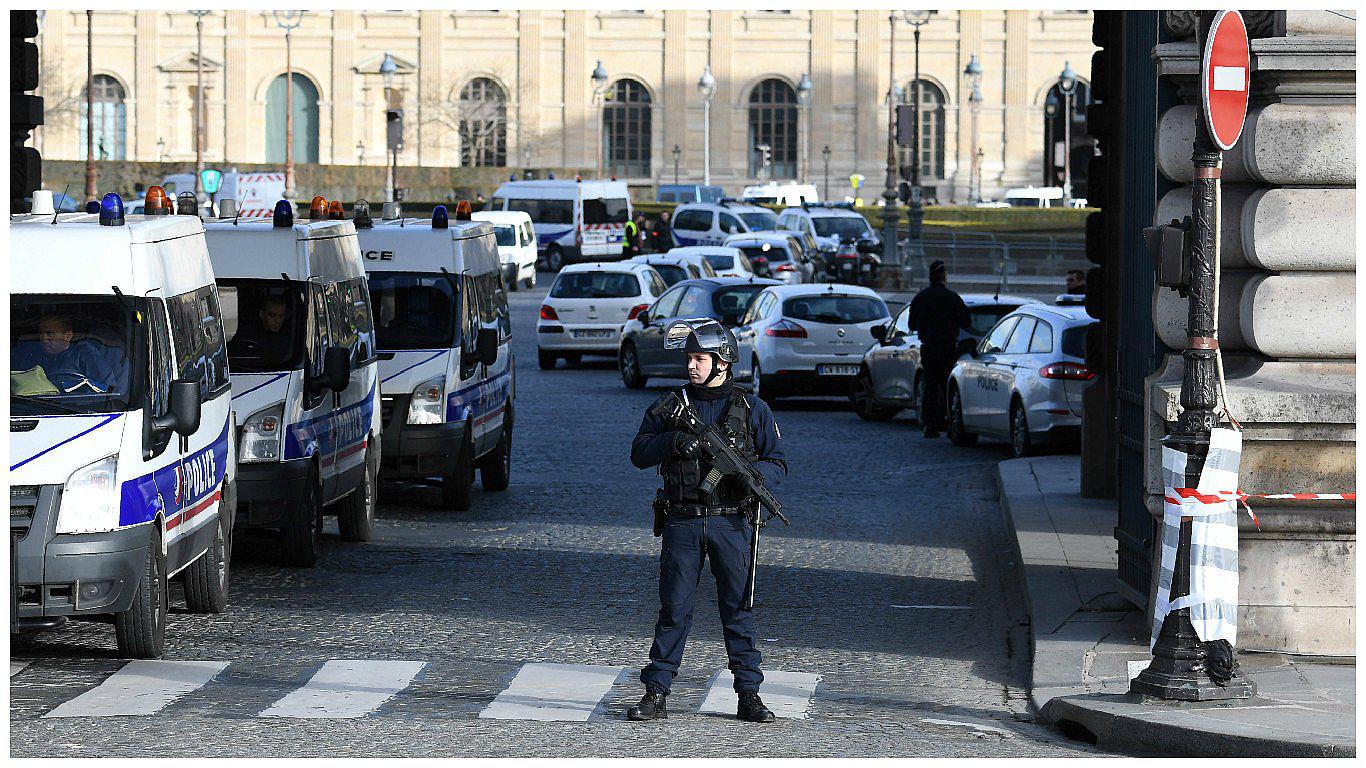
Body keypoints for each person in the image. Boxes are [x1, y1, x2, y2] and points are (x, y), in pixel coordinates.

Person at [627, 321, 787, 723]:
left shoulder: (752, 408)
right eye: (690, 358)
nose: (693, 366)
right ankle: (656, 693)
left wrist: (750, 477)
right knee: (674, 609)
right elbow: (640, 452)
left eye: (701, 359)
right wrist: (674, 441)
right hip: (682, 521)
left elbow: (778, 462)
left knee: (738, 609)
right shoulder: (671, 405)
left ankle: (748, 694)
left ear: (723, 363)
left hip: (731, 523)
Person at [908, 260, 970, 438]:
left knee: (930, 386)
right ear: (944, 277)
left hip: (928, 346)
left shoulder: (920, 298)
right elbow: (966, 321)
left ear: (929, 277)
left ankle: (930, 424)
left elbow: (912, 324)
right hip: (948, 346)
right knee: (947, 386)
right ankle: (951, 423)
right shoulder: (952, 297)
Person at [14, 313, 127, 394]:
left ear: (68, 335)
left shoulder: (85, 353)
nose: (43, 338)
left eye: (50, 334)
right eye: (41, 334)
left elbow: (107, 391)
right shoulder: (33, 355)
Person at [229, 295, 294, 368]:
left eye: (281, 316)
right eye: (272, 315)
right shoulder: (247, 334)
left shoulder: (288, 339)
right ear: (262, 314)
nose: (277, 321)